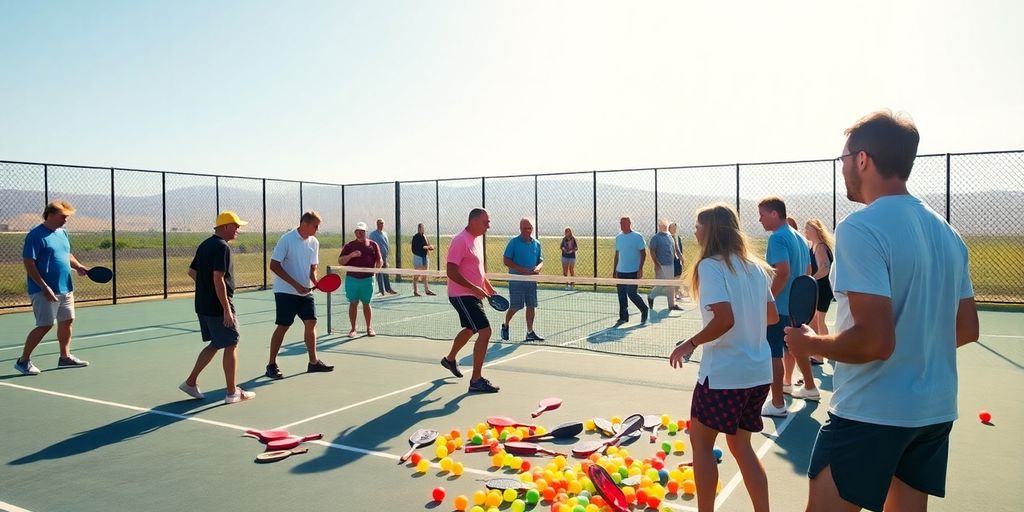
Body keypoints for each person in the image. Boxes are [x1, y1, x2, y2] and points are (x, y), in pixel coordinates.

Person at [785, 111, 978, 512]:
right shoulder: (948, 233)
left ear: (862, 159)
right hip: (933, 413)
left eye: (842, 159)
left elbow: (875, 341)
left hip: (871, 413)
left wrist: (809, 343)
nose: (841, 168)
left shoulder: (861, 228)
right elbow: (966, 329)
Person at [670, 204, 777, 512]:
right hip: (758, 375)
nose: (694, 231)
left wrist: (689, 344)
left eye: (698, 225)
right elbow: (770, 315)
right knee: (742, 446)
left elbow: (724, 319)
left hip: (724, 376)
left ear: (711, 230)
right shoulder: (755, 266)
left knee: (701, 444)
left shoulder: (711, 267)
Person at [178, 211, 255, 404]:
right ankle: (232, 393)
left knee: (216, 343)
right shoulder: (222, 247)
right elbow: (218, 278)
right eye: (236, 226)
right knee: (231, 343)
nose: (238, 230)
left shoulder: (205, 244)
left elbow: (191, 272)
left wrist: (206, 289)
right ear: (226, 226)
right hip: (217, 306)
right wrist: (226, 309)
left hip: (203, 304)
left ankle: (190, 382)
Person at [14, 200, 91, 375]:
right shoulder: (36, 235)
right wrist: (44, 286)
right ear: (51, 214)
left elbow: (66, 254)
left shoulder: (62, 233)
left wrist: (78, 266)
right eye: (63, 216)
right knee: (45, 325)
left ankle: (65, 358)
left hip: (65, 287)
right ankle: (23, 361)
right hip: (43, 290)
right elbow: (29, 262)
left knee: (67, 321)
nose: (66, 220)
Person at [758, 196, 817, 417]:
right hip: (795, 307)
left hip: (780, 307)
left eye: (762, 215)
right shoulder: (800, 237)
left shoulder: (777, 238)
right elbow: (808, 270)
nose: (760, 219)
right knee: (794, 346)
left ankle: (777, 403)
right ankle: (809, 387)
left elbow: (783, 272)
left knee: (774, 353)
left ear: (774, 214)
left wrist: (770, 299)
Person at [264, 211, 334, 380]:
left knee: (311, 322)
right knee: (284, 325)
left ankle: (313, 362)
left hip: (305, 292)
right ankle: (271, 365)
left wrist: (315, 281)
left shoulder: (314, 242)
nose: (317, 229)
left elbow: (312, 268)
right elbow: (274, 265)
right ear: (305, 224)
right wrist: (295, 285)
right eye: (315, 226)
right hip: (285, 292)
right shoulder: (286, 239)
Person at [440, 208, 500, 393]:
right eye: (486, 222)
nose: (489, 225)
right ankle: (476, 380)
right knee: (485, 331)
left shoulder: (477, 240)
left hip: (472, 294)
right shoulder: (460, 240)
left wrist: (490, 290)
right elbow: (451, 272)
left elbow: (479, 272)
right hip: (461, 294)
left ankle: (449, 360)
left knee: (471, 328)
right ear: (473, 221)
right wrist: (474, 288)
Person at [500, 217, 544, 342]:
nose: (527, 230)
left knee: (531, 305)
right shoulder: (513, 242)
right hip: (516, 280)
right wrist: (521, 269)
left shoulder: (536, 243)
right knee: (516, 306)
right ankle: (505, 324)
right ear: (520, 229)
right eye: (524, 228)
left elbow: (540, 260)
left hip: (531, 281)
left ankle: (530, 332)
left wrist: (538, 268)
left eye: (529, 228)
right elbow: (506, 260)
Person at [338, 222, 382, 337]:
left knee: (366, 303)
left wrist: (379, 265)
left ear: (366, 233)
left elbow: (379, 260)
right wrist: (350, 256)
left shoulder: (373, 245)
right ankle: (353, 329)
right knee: (353, 303)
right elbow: (341, 261)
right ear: (355, 233)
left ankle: (369, 328)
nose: (359, 234)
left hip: (368, 280)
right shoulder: (349, 246)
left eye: (362, 232)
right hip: (352, 279)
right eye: (357, 231)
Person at [804, 218, 835, 364]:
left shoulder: (821, 247)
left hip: (822, 288)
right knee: (816, 321)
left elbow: (825, 268)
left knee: (820, 321)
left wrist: (811, 279)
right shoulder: (813, 246)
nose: (806, 231)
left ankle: (823, 354)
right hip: (817, 288)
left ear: (816, 230)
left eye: (808, 229)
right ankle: (820, 353)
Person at [613, 216, 649, 326]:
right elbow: (617, 254)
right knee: (621, 295)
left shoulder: (637, 237)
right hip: (621, 271)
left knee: (632, 294)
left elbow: (643, 253)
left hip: (633, 271)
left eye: (624, 223)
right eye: (620, 223)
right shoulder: (618, 237)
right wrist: (615, 270)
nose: (622, 225)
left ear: (629, 223)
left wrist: (640, 268)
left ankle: (644, 309)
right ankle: (623, 317)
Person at [647, 219, 682, 311]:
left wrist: (677, 257)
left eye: (665, 225)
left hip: (670, 265)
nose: (664, 227)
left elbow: (673, 248)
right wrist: (656, 263)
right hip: (661, 266)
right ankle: (651, 296)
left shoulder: (670, 237)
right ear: (659, 227)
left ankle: (671, 305)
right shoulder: (655, 238)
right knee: (660, 285)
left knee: (671, 285)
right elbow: (652, 251)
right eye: (662, 225)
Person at [367, 218, 397, 296]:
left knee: (386, 272)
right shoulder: (372, 234)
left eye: (383, 223)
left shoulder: (385, 233)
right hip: (377, 257)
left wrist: (387, 254)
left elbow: (386, 244)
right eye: (380, 223)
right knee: (379, 273)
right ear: (377, 224)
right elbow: (371, 245)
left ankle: (388, 289)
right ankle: (381, 291)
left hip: (385, 256)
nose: (382, 225)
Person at [410, 223, 436, 296]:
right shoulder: (416, 237)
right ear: (418, 229)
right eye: (420, 228)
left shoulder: (424, 236)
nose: (421, 229)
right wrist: (426, 247)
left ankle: (426, 290)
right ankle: (415, 291)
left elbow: (427, 245)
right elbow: (419, 247)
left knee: (425, 275)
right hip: (418, 258)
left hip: (425, 257)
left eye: (422, 228)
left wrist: (431, 247)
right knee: (417, 275)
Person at [669, 221, 686, 300]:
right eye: (673, 228)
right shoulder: (667, 238)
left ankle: (677, 292)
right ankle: (672, 294)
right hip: (670, 261)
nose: (674, 229)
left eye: (675, 228)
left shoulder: (677, 238)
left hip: (677, 260)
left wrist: (681, 258)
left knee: (678, 276)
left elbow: (680, 249)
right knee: (672, 277)